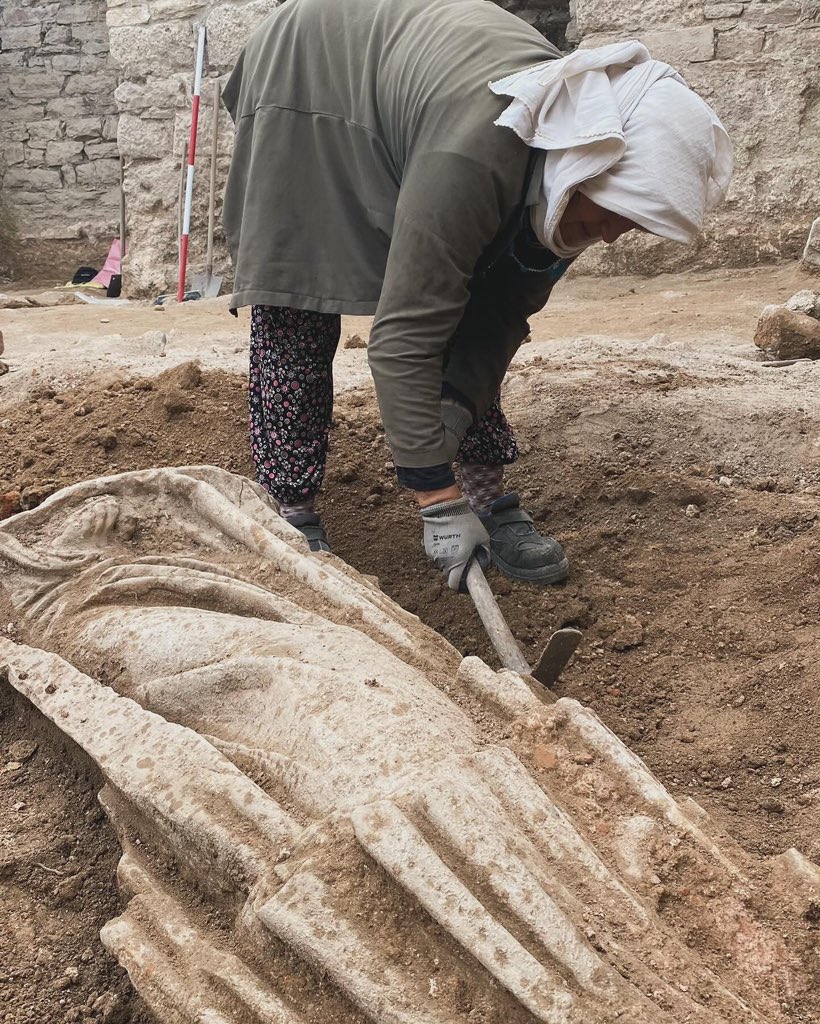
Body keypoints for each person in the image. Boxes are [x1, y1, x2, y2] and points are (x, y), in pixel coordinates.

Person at [222, 0, 733, 592]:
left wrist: (450, 416)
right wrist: (435, 499)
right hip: (310, 80)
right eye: (619, 212)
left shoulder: (573, 172)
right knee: (299, 299)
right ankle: (290, 510)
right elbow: (404, 335)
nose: (615, 234)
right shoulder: (475, 154)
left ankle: (483, 486)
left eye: (635, 222)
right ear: (586, 166)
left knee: (469, 296)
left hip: (410, 83)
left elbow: (499, 316)